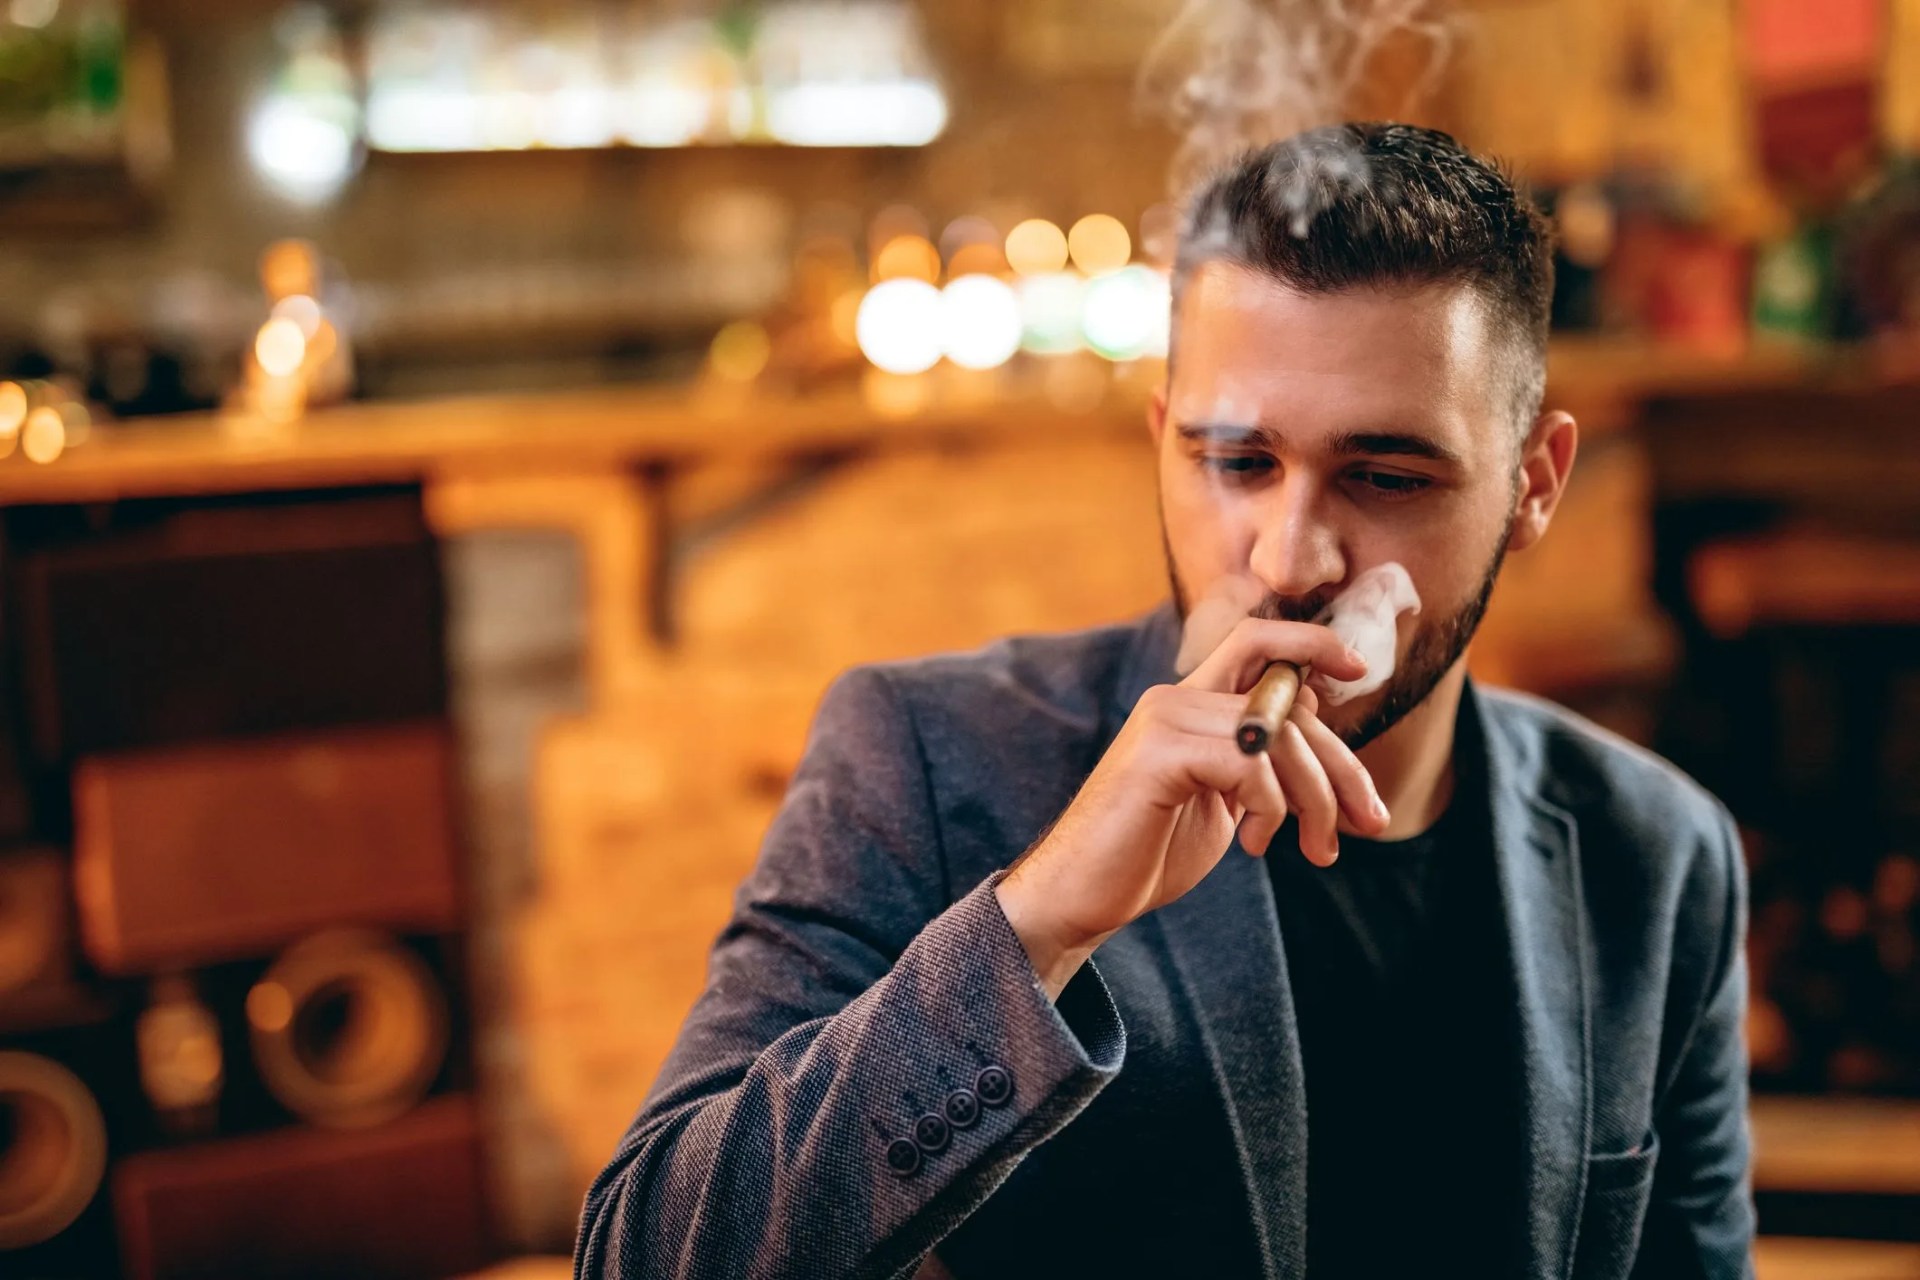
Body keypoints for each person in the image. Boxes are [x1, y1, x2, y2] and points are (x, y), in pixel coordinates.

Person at [574, 123, 1753, 1280]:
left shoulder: (1660, 852)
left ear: (1535, 483)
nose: (1291, 556)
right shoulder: (927, 753)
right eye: (1237, 463)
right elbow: (639, 1255)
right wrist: (1041, 921)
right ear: (1163, 441)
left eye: (1386, 475)